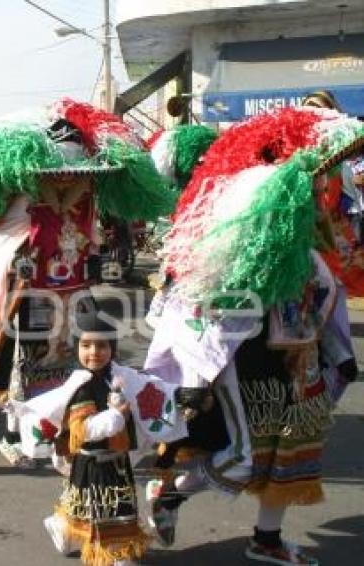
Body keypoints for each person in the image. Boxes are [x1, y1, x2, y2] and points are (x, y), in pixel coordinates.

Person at [145, 106, 362, 566]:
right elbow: (196, 311)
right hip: (245, 366)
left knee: (292, 453)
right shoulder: (230, 246)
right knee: (242, 457)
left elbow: (326, 294)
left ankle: (267, 538)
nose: (324, 189)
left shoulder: (307, 242)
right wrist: (198, 381)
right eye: (317, 181)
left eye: (323, 181)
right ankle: (172, 496)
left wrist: (339, 353)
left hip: (300, 363)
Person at [0, 98, 175, 467]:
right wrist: (20, 264)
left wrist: (88, 262)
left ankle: (64, 432)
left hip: (72, 293)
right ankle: (15, 433)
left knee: (72, 365)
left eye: (76, 170)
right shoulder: (26, 197)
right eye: (61, 170)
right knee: (27, 363)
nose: (68, 175)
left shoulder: (86, 195)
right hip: (32, 294)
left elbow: (89, 239)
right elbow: (3, 243)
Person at [8, 313, 186, 565]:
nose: (94, 352)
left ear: (112, 348)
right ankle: (115, 555)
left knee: (93, 509)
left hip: (118, 460)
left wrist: (180, 395)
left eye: (102, 345)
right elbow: (83, 430)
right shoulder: (81, 386)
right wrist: (116, 416)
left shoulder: (119, 374)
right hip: (94, 463)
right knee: (107, 511)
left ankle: (62, 529)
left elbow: (149, 386)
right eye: (86, 345)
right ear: (77, 347)